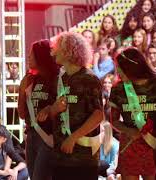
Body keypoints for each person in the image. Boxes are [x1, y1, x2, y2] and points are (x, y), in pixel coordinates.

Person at [49, 31, 104, 180]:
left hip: (83, 157)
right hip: (61, 156)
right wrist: (53, 110)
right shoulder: (61, 78)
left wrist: (73, 138)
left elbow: (98, 115)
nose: (54, 51)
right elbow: (54, 112)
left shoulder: (89, 78)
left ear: (69, 51)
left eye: (58, 47)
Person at [110, 47, 156, 180]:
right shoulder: (118, 89)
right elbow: (114, 121)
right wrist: (128, 130)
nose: (117, 71)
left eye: (120, 67)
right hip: (129, 144)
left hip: (152, 144)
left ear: (131, 66)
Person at [18, 39, 60, 180]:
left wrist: (50, 109)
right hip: (31, 136)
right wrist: (22, 90)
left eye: (32, 55)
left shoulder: (57, 78)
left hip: (48, 137)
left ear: (41, 56)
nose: (28, 58)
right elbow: (22, 114)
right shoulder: (31, 79)